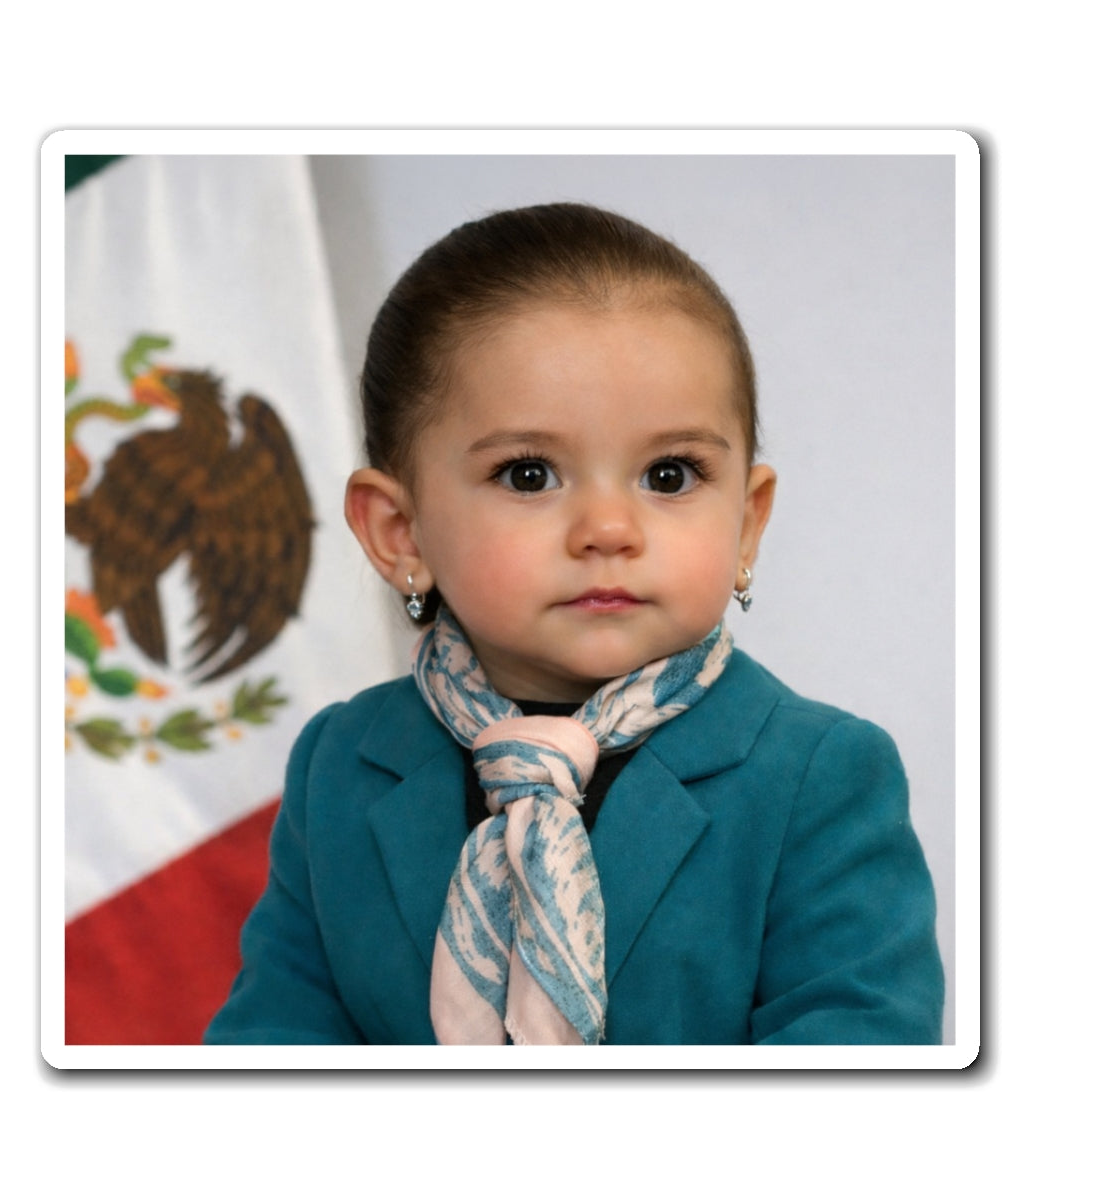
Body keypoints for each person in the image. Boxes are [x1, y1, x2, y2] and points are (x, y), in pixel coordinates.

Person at [204, 202, 944, 1046]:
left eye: (670, 474)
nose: (608, 527)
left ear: (745, 521)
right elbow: (273, 1046)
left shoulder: (820, 777)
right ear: (399, 534)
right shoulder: (338, 766)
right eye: (528, 474)